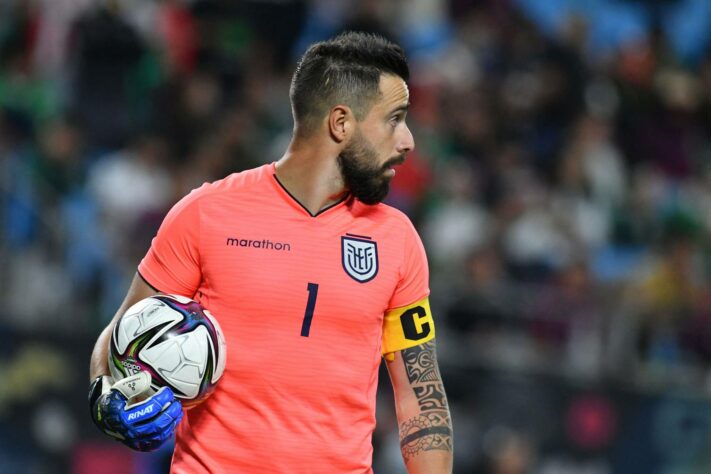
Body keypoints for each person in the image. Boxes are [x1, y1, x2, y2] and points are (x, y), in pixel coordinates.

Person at [88, 31, 453, 473]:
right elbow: (121, 333)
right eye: (394, 119)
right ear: (341, 123)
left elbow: (420, 394)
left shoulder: (398, 240)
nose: (408, 141)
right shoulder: (206, 214)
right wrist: (109, 399)